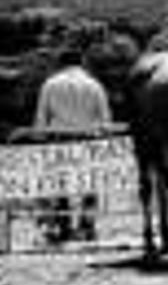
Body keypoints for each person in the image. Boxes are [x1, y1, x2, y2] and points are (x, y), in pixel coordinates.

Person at [34, 46, 113, 244]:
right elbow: (105, 119)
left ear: (60, 63)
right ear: (82, 62)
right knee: (90, 183)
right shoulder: (94, 85)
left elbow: (41, 119)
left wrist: (39, 138)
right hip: (88, 139)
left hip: (59, 137)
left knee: (61, 183)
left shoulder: (51, 84)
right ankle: (87, 225)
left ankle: (63, 224)